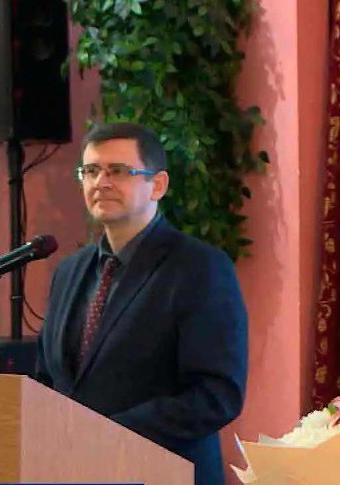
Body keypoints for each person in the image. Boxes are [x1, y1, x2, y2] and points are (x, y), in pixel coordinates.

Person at [35, 122, 248, 485]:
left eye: (118, 171)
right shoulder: (69, 271)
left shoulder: (200, 267)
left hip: (164, 474)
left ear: (158, 185)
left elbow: (216, 395)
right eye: (91, 171)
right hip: (75, 474)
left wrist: (105, 434)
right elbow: (47, 377)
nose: (101, 182)